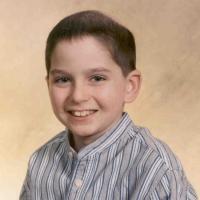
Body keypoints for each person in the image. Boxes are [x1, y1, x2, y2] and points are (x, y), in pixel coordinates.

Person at [20, 10, 198, 200]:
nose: (78, 96)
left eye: (97, 78)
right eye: (63, 79)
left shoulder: (153, 169)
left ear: (130, 86)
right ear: (48, 84)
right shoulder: (40, 163)